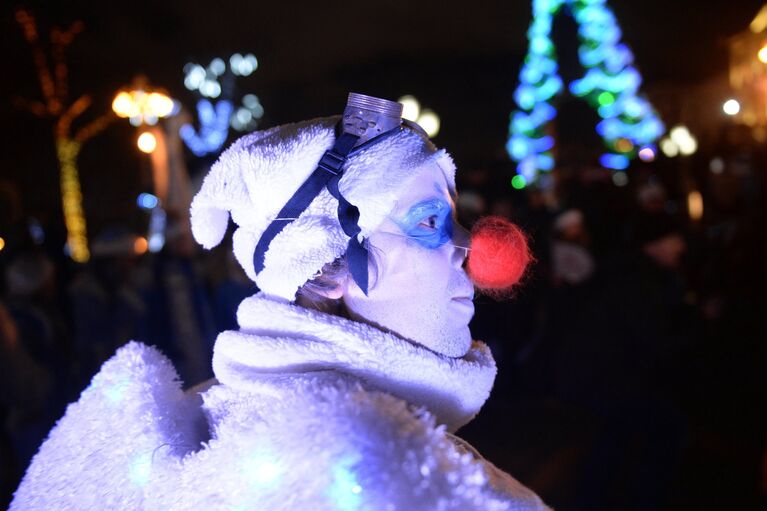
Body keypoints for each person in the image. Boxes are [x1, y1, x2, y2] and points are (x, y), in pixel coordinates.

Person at [11, 94, 549, 510]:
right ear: (327, 265)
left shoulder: (230, 411)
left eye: (454, 220)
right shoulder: (365, 472)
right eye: (430, 222)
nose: (469, 248)